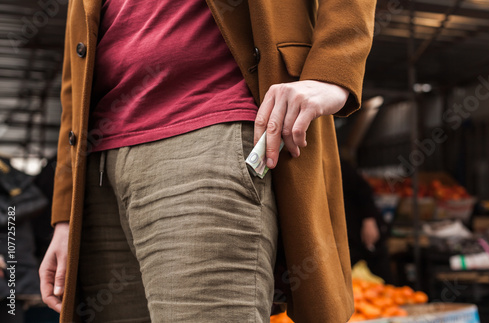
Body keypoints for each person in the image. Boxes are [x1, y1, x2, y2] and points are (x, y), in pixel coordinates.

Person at [39, 0, 376, 322]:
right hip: (98, 167)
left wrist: (333, 71)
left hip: (207, 131)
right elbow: (74, 75)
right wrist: (66, 217)